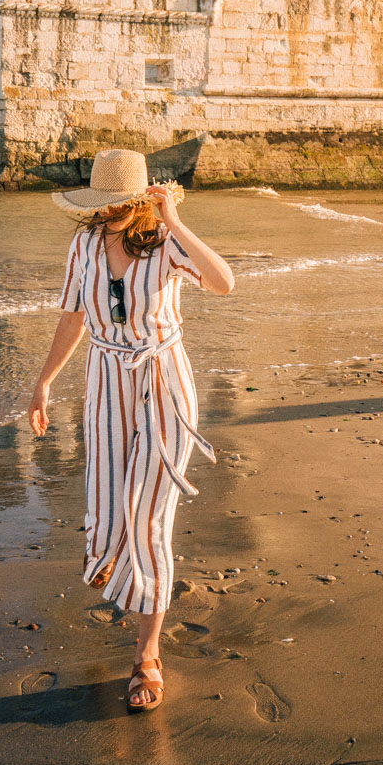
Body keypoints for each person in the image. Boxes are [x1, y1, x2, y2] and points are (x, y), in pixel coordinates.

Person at [27, 147, 235, 711]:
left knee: (148, 519)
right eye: (101, 204)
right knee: (108, 504)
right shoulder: (84, 246)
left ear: (140, 201)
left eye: (118, 203)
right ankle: (117, 565)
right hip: (104, 379)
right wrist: (44, 383)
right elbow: (72, 316)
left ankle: (148, 657)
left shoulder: (167, 244)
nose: (108, 213)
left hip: (164, 379)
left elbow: (223, 283)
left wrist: (176, 222)